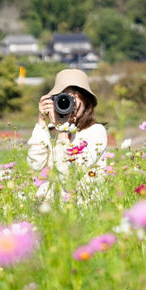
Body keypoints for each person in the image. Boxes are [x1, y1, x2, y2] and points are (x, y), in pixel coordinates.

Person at [26, 68, 107, 203]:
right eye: (63, 98)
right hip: (51, 206)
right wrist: (41, 120)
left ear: (86, 101)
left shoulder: (95, 131)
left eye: (74, 97)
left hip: (84, 204)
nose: (69, 104)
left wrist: (62, 131)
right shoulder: (51, 131)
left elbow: (70, 177)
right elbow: (35, 165)